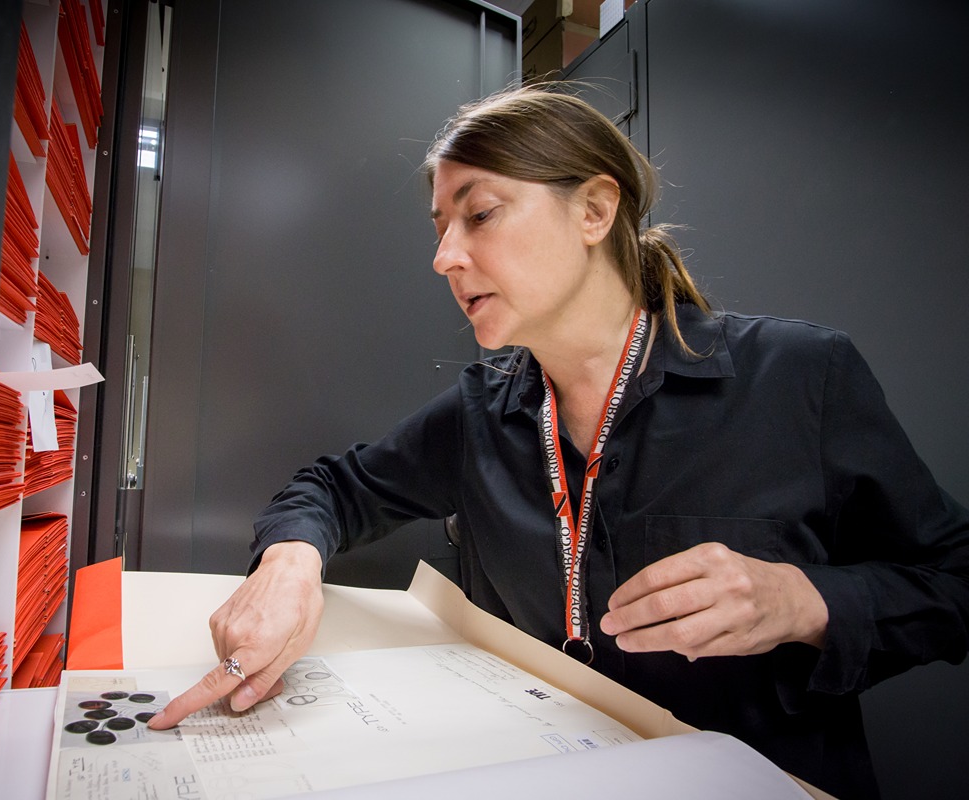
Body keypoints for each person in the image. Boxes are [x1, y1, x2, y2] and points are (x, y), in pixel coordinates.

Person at [147, 82, 969, 799]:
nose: (443, 257)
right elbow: (333, 489)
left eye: (480, 214)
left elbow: (954, 579)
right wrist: (289, 563)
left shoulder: (797, 377)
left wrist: (806, 602)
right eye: (438, 227)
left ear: (594, 209)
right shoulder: (480, 414)